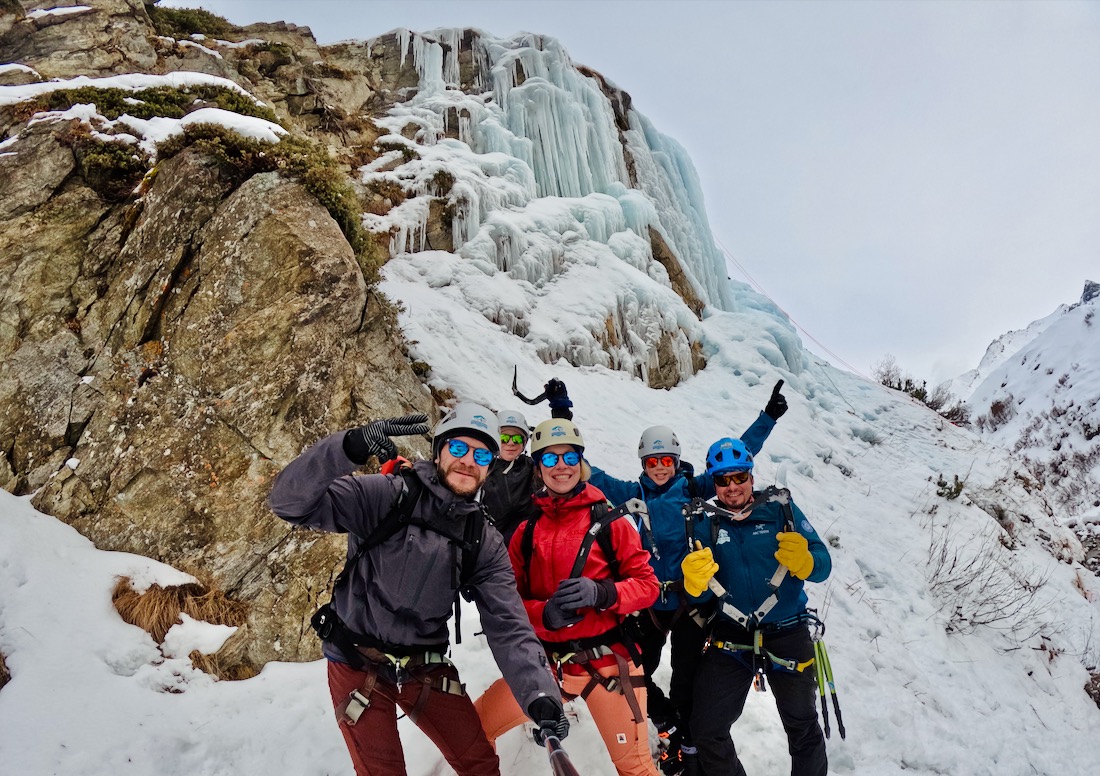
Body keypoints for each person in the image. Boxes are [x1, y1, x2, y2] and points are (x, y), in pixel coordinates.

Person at [267, 404, 568, 776]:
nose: (468, 461)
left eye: (481, 454)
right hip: (356, 658)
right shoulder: (386, 495)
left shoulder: (482, 538)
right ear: (439, 450)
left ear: (490, 466)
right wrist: (348, 447)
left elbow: (508, 624)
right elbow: (288, 502)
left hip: (424, 664)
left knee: (480, 764)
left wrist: (539, 694)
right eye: (458, 448)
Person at [580, 380, 789, 775]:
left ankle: (688, 749)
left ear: (677, 463)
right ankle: (669, 723)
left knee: (686, 680)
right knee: (634, 669)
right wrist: (563, 422)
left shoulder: (693, 490)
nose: (660, 468)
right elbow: (589, 473)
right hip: (650, 604)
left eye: (666, 461)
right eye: (653, 462)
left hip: (692, 605)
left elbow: (736, 461)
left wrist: (767, 419)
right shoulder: (631, 493)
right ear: (643, 465)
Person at [474, 418, 662, 776]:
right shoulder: (527, 531)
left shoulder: (610, 521)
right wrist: (544, 614)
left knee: (635, 769)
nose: (561, 466)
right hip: (546, 667)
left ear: (581, 462)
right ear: (538, 466)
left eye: (570, 456)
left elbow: (647, 586)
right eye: (550, 458)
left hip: (608, 663)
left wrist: (603, 592)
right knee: (475, 729)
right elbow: (507, 602)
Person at [681, 437, 831, 776]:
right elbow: (702, 597)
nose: (732, 487)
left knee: (803, 726)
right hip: (732, 634)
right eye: (722, 480)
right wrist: (694, 585)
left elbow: (823, 563)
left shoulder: (780, 509)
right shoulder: (705, 523)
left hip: (787, 628)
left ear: (751, 475)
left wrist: (807, 562)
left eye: (739, 477)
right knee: (706, 727)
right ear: (714, 482)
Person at [482, 381, 576, 544]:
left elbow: (561, 453)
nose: (510, 443)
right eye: (504, 438)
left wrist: (561, 411)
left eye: (517, 438)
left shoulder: (532, 468)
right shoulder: (480, 467)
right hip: (486, 549)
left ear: (525, 443)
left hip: (525, 548)